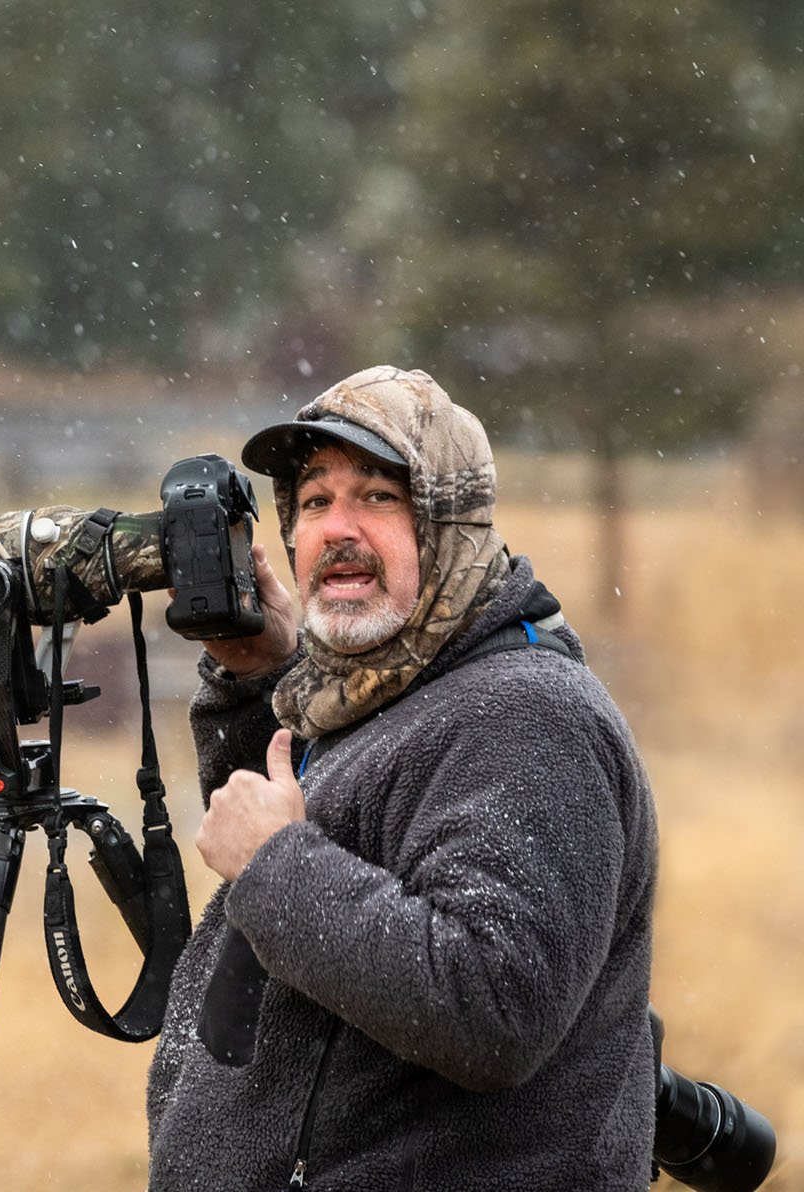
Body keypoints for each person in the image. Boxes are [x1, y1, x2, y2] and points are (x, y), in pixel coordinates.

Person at [146, 366, 659, 1190]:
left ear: (450, 522)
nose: (338, 529)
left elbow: (492, 1008)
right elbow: (329, 891)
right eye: (314, 502)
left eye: (378, 497)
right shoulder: (388, 690)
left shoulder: (525, 716)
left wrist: (275, 866)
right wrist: (259, 681)